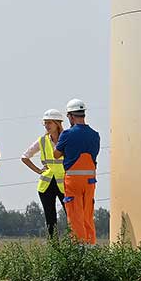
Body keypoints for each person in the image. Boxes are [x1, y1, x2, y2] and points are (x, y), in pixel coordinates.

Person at [56, 97, 101, 244]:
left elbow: (57, 154)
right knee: (88, 214)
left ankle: (78, 248)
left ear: (70, 116)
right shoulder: (95, 135)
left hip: (73, 181)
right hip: (90, 181)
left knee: (75, 215)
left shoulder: (67, 134)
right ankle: (91, 246)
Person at [20, 109, 66, 237]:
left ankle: (72, 246)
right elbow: (25, 157)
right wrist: (38, 171)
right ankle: (54, 248)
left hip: (64, 184)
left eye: (49, 122)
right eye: (45, 123)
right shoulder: (42, 140)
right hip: (46, 185)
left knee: (71, 217)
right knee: (50, 219)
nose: (47, 126)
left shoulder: (66, 139)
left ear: (57, 123)